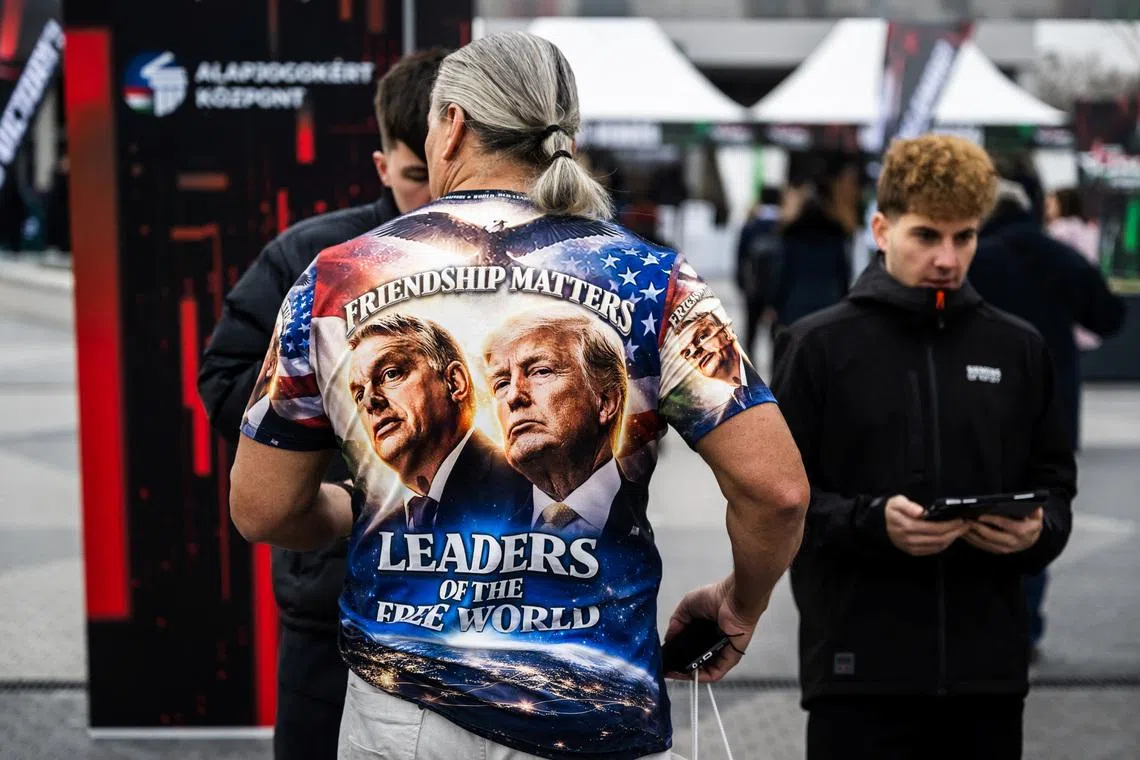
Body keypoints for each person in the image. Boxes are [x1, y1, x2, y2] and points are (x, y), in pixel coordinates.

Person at [229, 32, 808, 760]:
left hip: (406, 714)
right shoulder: (654, 281)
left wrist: (361, 505)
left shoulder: (335, 280)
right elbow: (778, 491)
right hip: (598, 710)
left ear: (453, 125)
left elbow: (261, 507)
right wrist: (740, 603)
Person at [771, 134, 1077, 760]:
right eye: (927, 236)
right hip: (857, 676)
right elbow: (780, 502)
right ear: (882, 229)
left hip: (986, 677)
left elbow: (1056, 484)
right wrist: (871, 522)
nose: (948, 257)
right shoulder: (817, 347)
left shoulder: (1017, 348)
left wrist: (1038, 531)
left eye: (964, 237)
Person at [197, 49, 447, 760]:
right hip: (334, 603)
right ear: (380, 166)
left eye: (446, 177)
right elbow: (226, 375)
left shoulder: (521, 267)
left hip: (475, 611)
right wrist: (338, 446)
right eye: (413, 178)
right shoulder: (314, 257)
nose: (433, 198)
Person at [969, 173, 1125, 663]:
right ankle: (1026, 624)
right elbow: (1108, 315)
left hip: (973, 405)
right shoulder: (1058, 256)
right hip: (1049, 408)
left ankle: (976, 622)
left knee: (965, 509)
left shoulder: (970, 258)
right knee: (1033, 514)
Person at [344, 313, 527, 532]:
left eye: (391, 374)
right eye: (359, 395)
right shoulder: (379, 525)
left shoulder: (530, 488)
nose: (369, 402)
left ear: (454, 382)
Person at [482, 306, 645, 539]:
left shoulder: (640, 514)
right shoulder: (475, 520)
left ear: (605, 402)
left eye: (540, 371)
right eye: (502, 383)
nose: (513, 396)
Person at [770, 155, 855, 340]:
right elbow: (844, 275)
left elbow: (781, 274)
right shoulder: (837, 235)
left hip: (794, 307)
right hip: (829, 305)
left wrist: (775, 306)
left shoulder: (791, 235)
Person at [1045, 187, 1106, 351]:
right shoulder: (1089, 228)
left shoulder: (1060, 229)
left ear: (1062, 204)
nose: (1046, 206)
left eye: (1051, 202)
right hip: (1086, 294)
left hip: (1062, 298)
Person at [734, 187, 783, 356]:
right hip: (778, 289)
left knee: (751, 334)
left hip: (753, 287)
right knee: (776, 336)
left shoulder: (751, 226)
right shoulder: (784, 226)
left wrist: (741, 284)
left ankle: (749, 375)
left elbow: (740, 257)